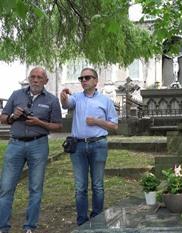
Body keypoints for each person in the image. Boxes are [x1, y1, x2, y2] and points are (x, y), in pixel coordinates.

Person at [0, 67, 63, 233]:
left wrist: (39, 123)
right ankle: (3, 227)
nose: (35, 80)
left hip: (38, 145)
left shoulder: (52, 100)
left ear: (45, 81)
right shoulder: (16, 95)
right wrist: (13, 116)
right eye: (33, 77)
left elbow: (57, 126)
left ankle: (29, 227)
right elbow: (3, 118)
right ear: (29, 78)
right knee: (6, 187)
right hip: (15, 144)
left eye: (39, 77)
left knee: (35, 188)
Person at [60, 67, 118, 226]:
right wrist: (63, 97)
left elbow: (114, 126)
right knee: (80, 187)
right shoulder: (77, 97)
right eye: (81, 78)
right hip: (78, 147)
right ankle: (82, 222)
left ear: (95, 81)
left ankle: (98, 219)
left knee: (98, 186)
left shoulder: (105, 101)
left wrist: (97, 121)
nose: (83, 81)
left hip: (98, 145)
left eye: (87, 77)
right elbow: (66, 105)